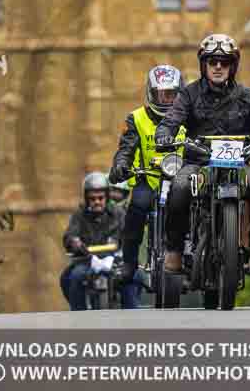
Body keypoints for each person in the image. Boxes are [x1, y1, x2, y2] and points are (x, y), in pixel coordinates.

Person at [155, 33, 250, 275]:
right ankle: (175, 250)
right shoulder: (189, 94)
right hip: (198, 163)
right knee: (178, 188)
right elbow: (171, 119)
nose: (218, 66)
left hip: (238, 164)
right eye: (213, 61)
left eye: (225, 62)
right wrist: (164, 134)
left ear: (233, 66)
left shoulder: (247, 96)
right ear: (204, 65)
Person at [109, 64, 186, 307]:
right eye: (163, 94)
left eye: (172, 94)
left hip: (182, 179)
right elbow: (126, 147)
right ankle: (130, 263)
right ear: (151, 93)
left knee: (197, 207)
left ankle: (193, 257)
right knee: (136, 209)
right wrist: (121, 165)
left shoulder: (190, 116)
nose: (167, 99)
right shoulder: (136, 118)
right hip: (149, 178)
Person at [60, 172, 129, 310]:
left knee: (135, 278)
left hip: (115, 261)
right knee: (71, 277)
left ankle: (134, 318)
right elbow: (69, 235)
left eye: (100, 198)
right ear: (86, 199)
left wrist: (126, 244)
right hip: (87, 261)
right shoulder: (79, 215)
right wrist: (75, 242)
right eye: (92, 199)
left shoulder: (119, 213)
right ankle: (78, 316)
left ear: (107, 197)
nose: (97, 202)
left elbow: (130, 234)